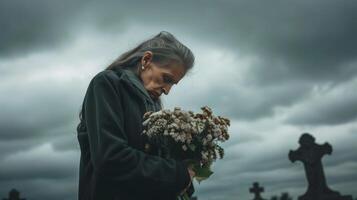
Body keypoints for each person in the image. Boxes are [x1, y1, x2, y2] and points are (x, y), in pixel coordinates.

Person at [76, 31, 196, 200]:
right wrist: (178, 174)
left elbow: (154, 163)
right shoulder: (107, 84)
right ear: (146, 60)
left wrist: (187, 176)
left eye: (173, 84)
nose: (167, 91)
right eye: (166, 78)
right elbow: (111, 158)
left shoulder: (153, 103)